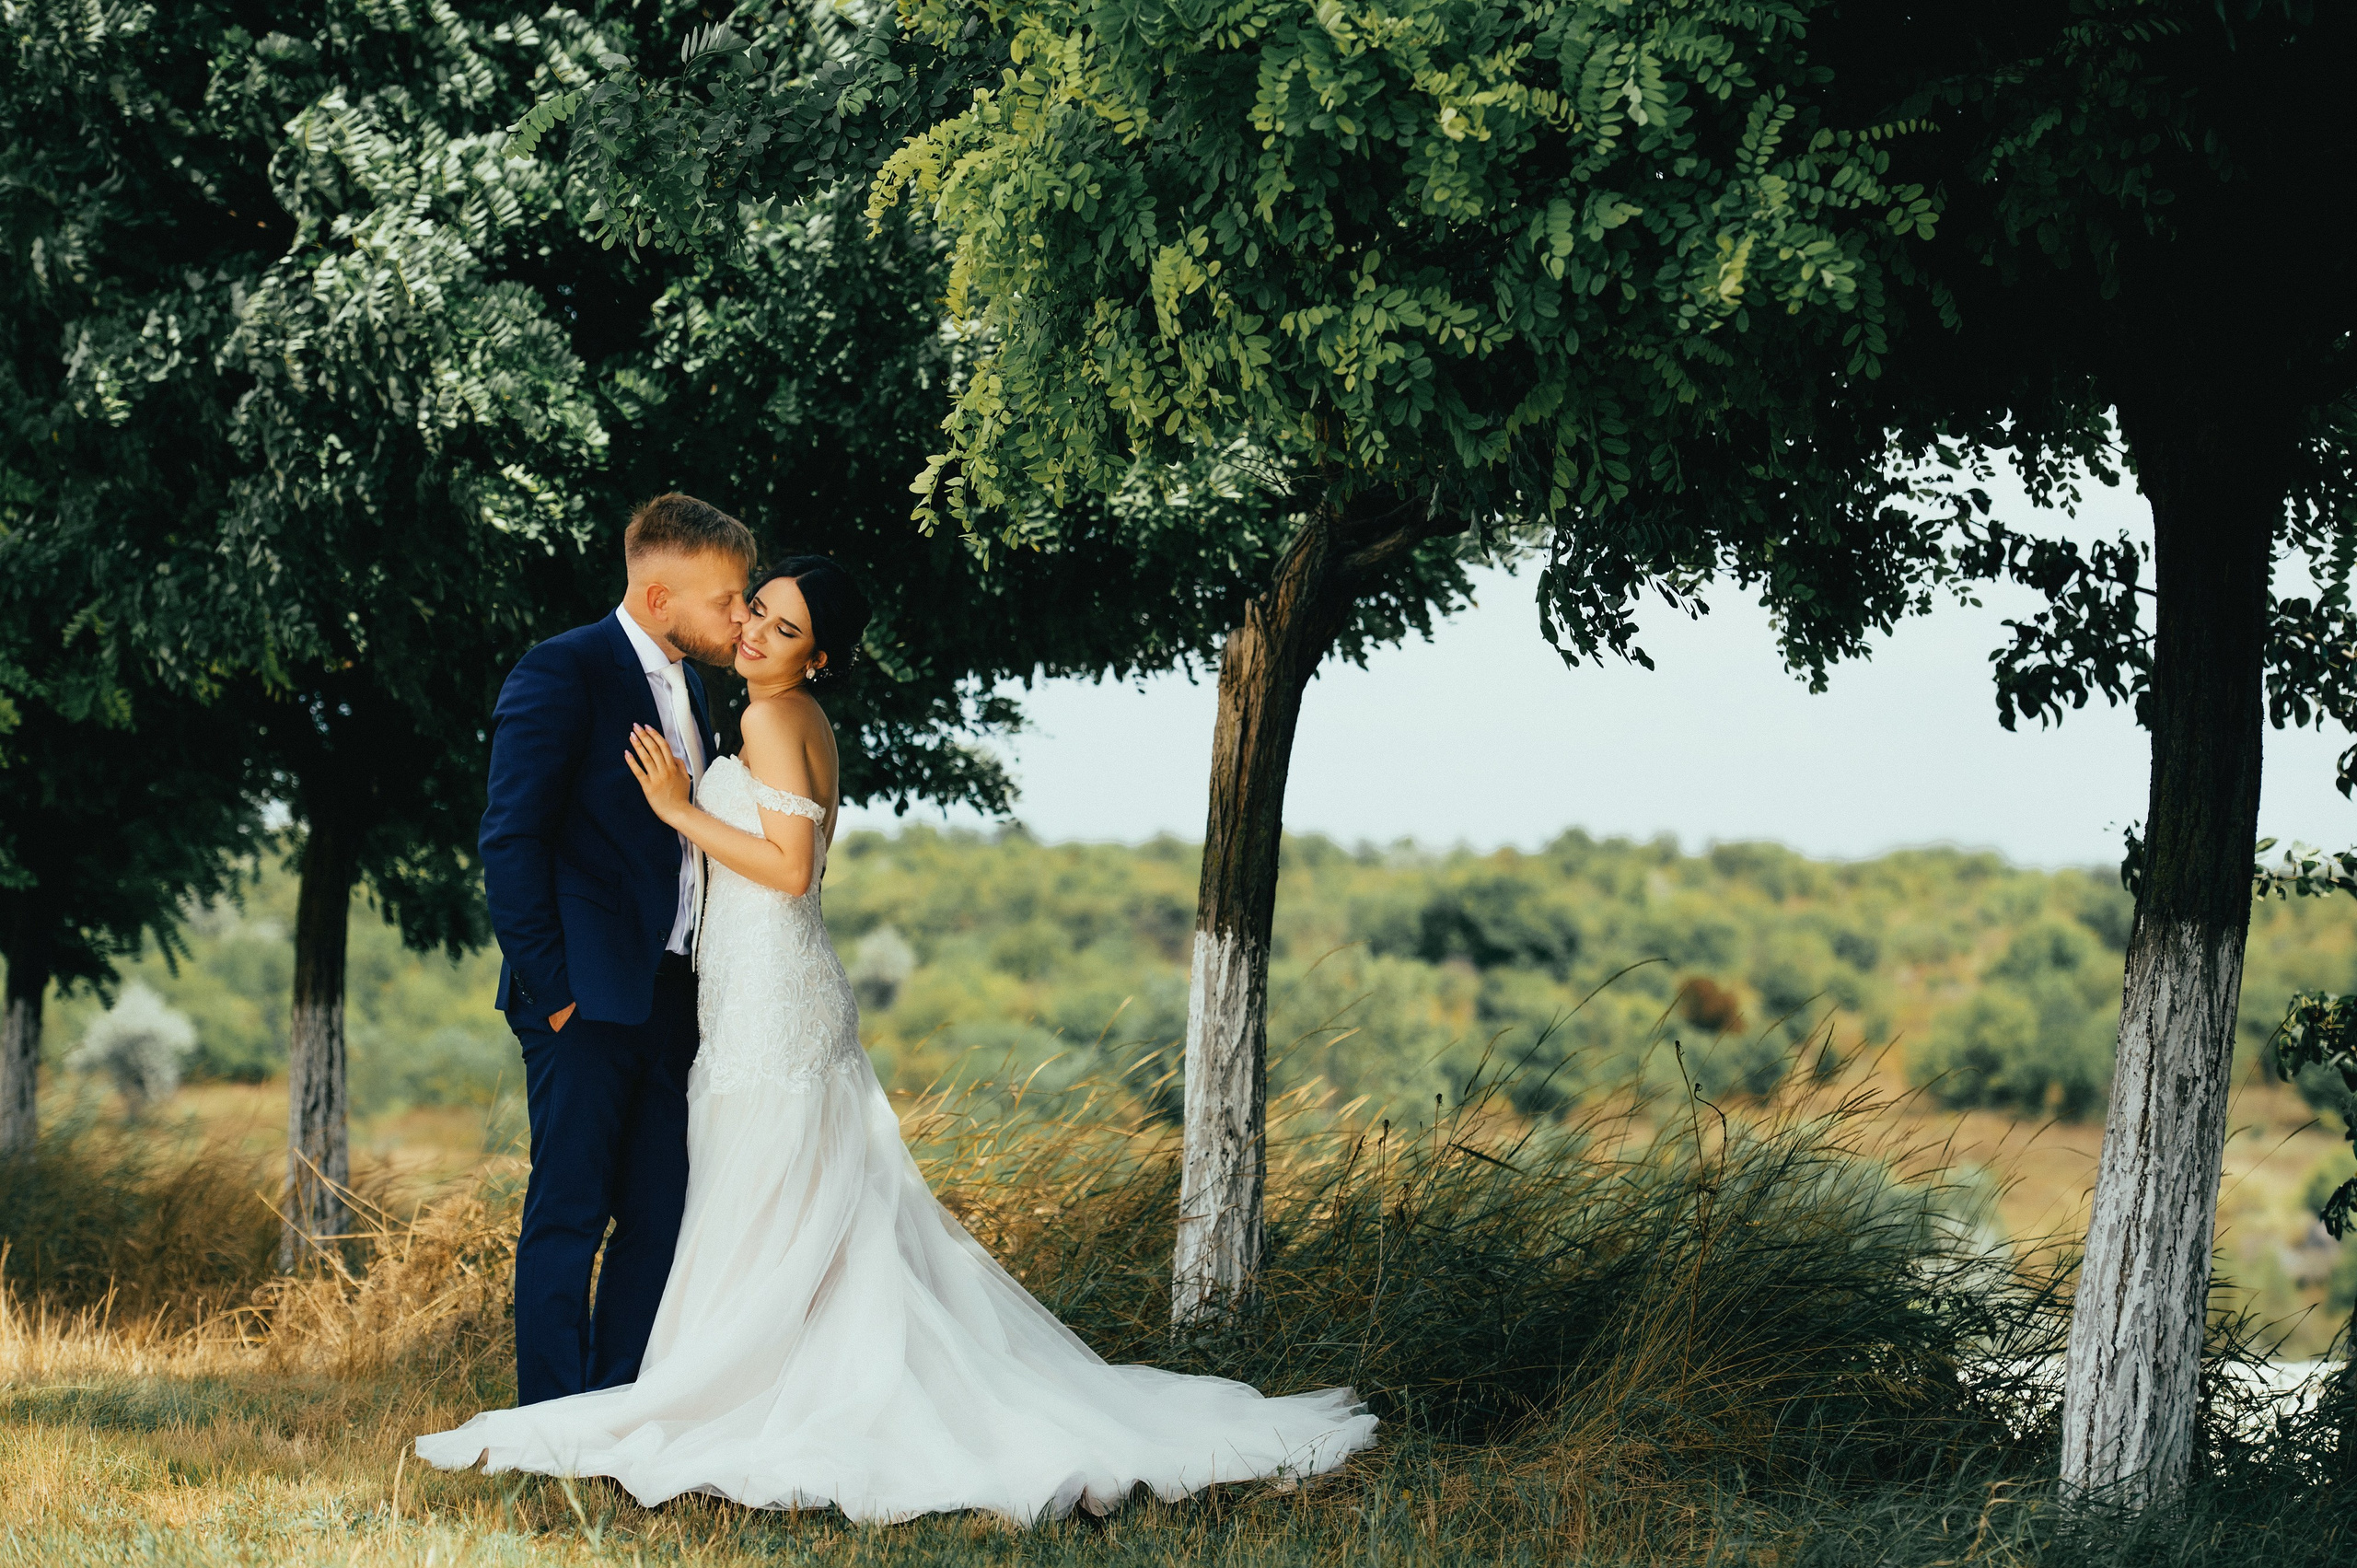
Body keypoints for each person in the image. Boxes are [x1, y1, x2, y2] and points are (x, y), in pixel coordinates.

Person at [420, 556, 1377, 1523]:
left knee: (768, 1192)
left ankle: (738, 1391)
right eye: (756, 610)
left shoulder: (767, 717)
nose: (753, 630)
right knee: (788, 1201)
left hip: (772, 998)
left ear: (820, 656)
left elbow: (792, 870)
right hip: (761, 986)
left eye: (783, 627)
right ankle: (720, 1380)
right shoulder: (770, 714)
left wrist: (677, 808)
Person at [474, 494, 754, 1405]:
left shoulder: (695, 685)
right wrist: (556, 991)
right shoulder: (563, 669)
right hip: (581, 999)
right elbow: (511, 840)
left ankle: (617, 1410)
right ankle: (550, 1418)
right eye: (726, 599)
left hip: (672, 994)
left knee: (658, 1215)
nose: (740, 615)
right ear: (660, 593)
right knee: (567, 1214)